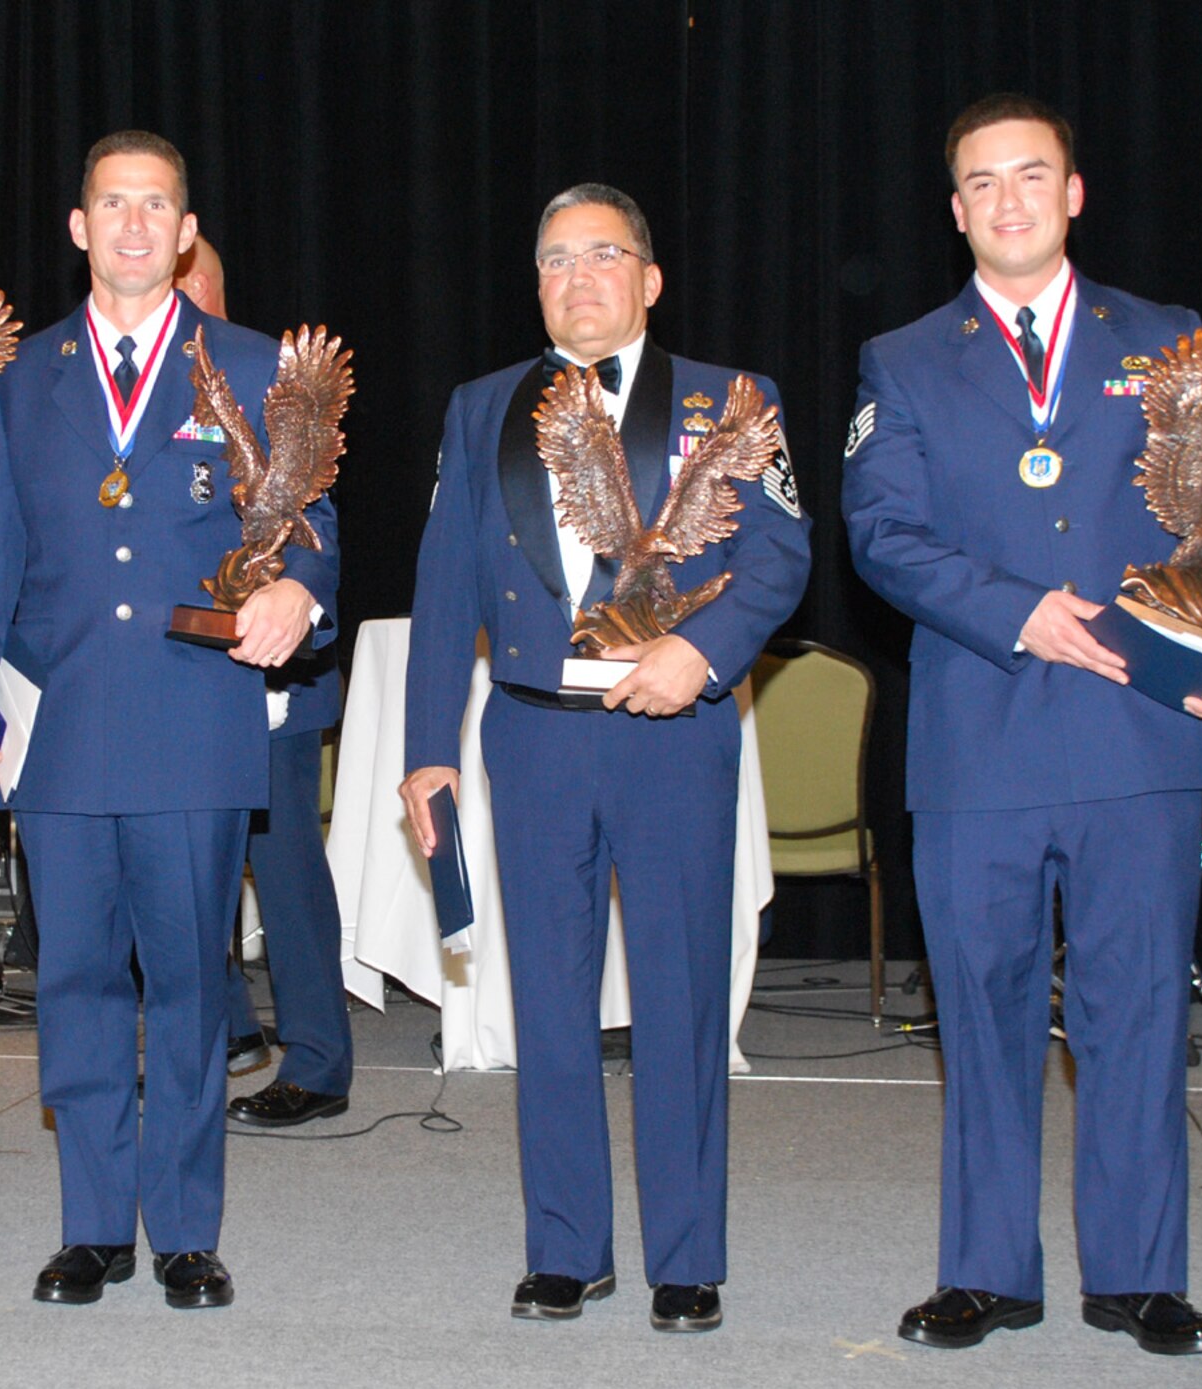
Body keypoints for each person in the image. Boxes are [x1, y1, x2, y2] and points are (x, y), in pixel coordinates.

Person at [842, 93, 1202, 1358]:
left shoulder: (1169, 339)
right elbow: (879, 533)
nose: (1006, 200)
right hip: (980, 733)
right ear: (956, 208)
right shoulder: (905, 359)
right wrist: (1018, 612)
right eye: (979, 183)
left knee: (1135, 1010)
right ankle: (985, 1272)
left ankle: (1140, 1277)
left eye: (1028, 176)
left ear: (1071, 193)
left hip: (1136, 735)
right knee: (978, 1011)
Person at [399, 183, 810, 1333]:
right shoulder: (480, 407)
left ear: (648, 277)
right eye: (553, 261)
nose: (576, 278)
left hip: (671, 732)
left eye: (602, 255)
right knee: (549, 1000)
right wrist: (427, 747)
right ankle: (565, 1248)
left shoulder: (731, 401)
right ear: (535, 284)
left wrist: (704, 649)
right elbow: (441, 589)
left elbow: (780, 558)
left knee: (678, 998)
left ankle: (685, 1257)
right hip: (530, 736)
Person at [0, 131, 336, 1310]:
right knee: (77, 987)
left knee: (188, 987)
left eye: (154, 206)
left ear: (183, 230)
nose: (130, 225)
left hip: (192, 721)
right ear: (78, 226)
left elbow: (309, 522)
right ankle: (91, 1226)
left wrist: (297, 590)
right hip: (54, 722)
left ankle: (185, 1231)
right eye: (110, 203)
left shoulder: (254, 366)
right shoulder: (19, 380)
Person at [171, 237, 354, 1122]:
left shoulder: (267, 381)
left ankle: (317, 1061)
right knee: (177, 871)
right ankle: (223, 1030)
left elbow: (313, 528)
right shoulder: (133, 390)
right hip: (172, 674)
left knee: (283, 875)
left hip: (270, 676)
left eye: (193, 282)